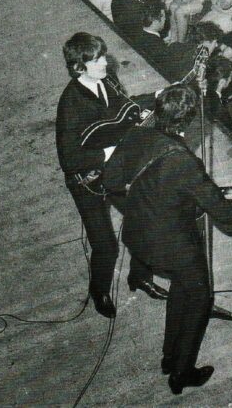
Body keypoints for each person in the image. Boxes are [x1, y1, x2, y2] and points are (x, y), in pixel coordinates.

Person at [101, 84, 232, 394]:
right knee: (200, 298)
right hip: (173, 247)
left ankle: (168, 357)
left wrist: (153, 201)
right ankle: (181, 374)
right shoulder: (185, 162)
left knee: (183, 288)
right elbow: (227, 215)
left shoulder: (137, 135)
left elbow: (110, 180)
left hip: (136, 236)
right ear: (188, 121)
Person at [55, 33, 167, 320]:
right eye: (98, 60)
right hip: (86, 181)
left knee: (144, 220)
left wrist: (156, 97)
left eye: (103, 56)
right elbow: (68, 160)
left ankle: (140, 277)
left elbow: (123, 110)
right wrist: (106, 153)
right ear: (79, 67)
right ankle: (100, 291)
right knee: (105, 245)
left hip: (115, 171)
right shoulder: (70, 104)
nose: (106, 62)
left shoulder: (108, 80)